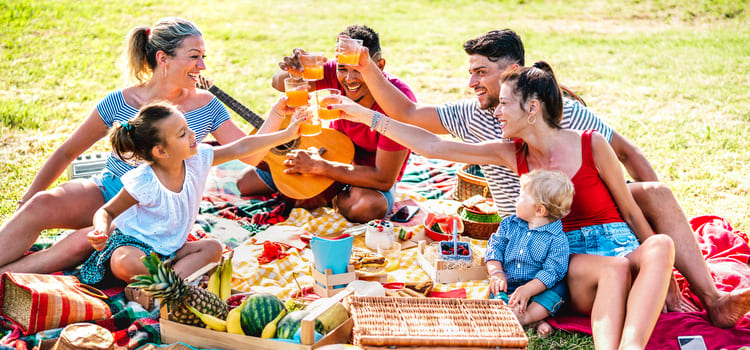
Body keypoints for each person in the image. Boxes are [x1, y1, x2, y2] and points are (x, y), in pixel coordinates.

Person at [346, 28, 750, 328]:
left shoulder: (567, 117)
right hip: (540, 224)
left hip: (594, 213)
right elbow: (422, 131)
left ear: (520, 83)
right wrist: (364, 95)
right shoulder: (485, 126)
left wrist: (663, 259)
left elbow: (627, 155)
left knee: (656, 196)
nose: (471, 83)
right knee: (617, 252)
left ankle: (711, 298)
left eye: (480, 73)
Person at [331, 61, 675, 350]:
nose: (497, 112)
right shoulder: (511, 153)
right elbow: (434, 147)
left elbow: (629, 210)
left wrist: (664, 276)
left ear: (532, 108)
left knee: (661, 244)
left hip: (624, 250)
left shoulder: (592, 143)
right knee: (613, 269)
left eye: (505, 104)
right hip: (583, 269)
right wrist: (368, 117)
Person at [0, 17, 264, 275]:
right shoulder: (120, 101)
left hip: (157, 214)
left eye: (204, 57)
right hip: (113, 190)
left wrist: (280, 116)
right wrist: (26, 202)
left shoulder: (208, 105)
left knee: (82, 242)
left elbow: (251, 156)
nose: (203, 66)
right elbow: (67, 152)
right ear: (163, 58)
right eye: (195, 56)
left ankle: (5, 279)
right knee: (41, 204)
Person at [80, 101, 302, 284]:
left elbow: (240, 147)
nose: (192, 134)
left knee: (213, 248)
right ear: (160, 151)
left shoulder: (198, 159)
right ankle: (177, 282)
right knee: (123, 261)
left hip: (171, 252)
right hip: (135, 247)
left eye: (188, 128)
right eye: (182, 134)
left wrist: (286, 134)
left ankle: (164, 287)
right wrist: (100, 230)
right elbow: (107, 212)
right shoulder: (144, 181)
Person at [235, 24, 415, 223]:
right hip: (329, 150)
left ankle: (325, 197)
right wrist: (294, 72)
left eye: (358, 70)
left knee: (366, 207)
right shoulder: (332, 72)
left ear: (379, 66)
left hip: (366, 176)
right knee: (245, 183)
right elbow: (278, 83)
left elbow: (384, 178)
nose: (349, 79)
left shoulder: (397, 102)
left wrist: (321, 167)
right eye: (343, 68)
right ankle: (317, 192)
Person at [486, 169, 574, 337]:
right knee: (497, 290)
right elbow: (494, 247)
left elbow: (552, 271)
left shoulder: (557, 239)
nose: (515, 199)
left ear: (540, 210)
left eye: (520, 196)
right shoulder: (509, 224)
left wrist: (528, 290)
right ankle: (511, 310)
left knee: (559, 289)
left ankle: (526, 317)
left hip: (539, 287)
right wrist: (496, 272)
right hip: (509, 282)